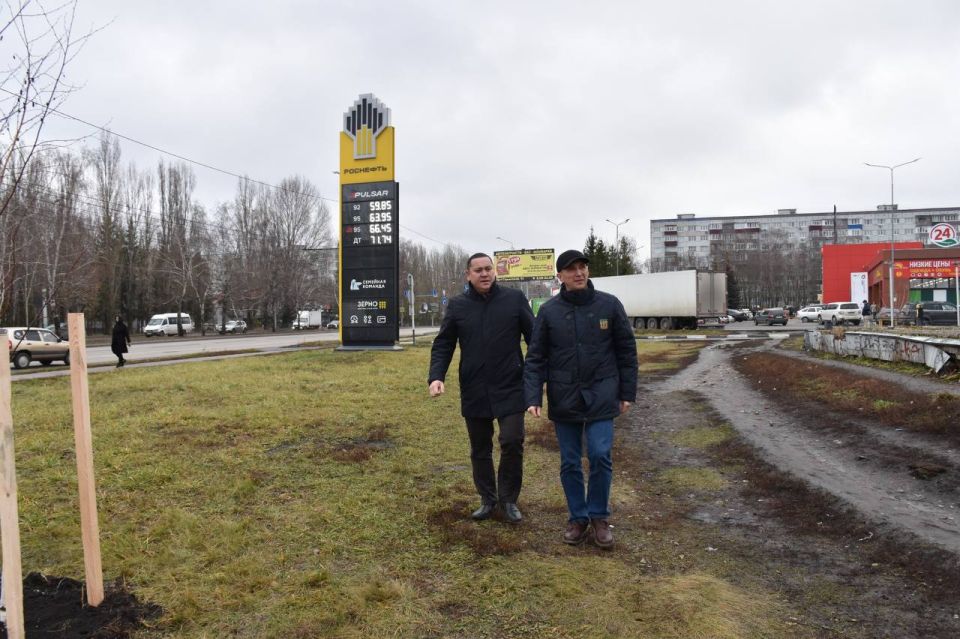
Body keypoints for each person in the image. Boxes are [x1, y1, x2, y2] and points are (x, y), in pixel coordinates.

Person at [524, 249, 638, 548]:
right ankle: (578, 517)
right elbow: (536, 357)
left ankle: (599, 516)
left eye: (583, 267)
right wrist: (533, 395)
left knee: (600, 455)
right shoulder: (549, 311)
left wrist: (627, 392)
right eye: (571, 269)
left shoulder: (609, 305)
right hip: (565, 396)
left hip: (602, 393)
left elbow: (626, 351)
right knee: (570, 461)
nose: (579, 273)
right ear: (559, 276)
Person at [428, 253, 534, 523]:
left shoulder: (514, 300)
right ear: (468, 275)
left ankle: (508, 500)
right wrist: (436, 376)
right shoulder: (457, 306)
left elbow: (535, 340)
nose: (484, 274)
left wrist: (537, 377)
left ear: (495, 272)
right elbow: (444, 343)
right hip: (475, 387)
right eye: (478, 270)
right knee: (480, 448)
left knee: (512, 441)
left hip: (511, 385)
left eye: (488, 269)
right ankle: (488, 499)